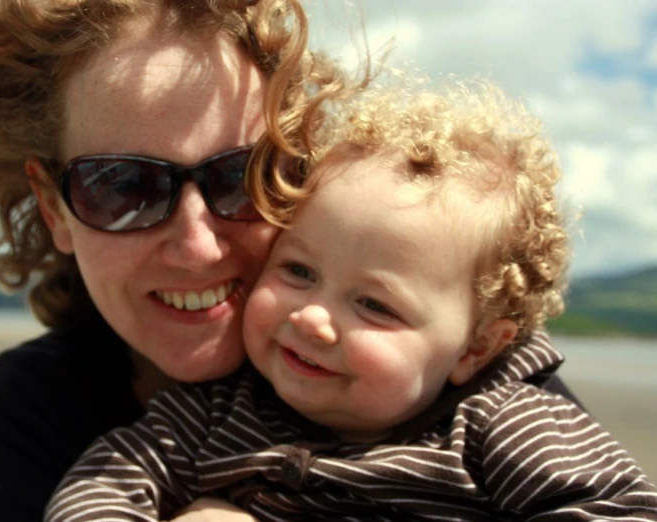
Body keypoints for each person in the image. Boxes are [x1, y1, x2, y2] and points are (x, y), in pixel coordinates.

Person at [0, 1, 586, 521]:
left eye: (237, 177)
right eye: (122, 186)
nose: (196, 244)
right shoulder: (34, 411)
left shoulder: (482, 387)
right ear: (55, 207)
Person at [45, 77, 657, 521]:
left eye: (375, 306)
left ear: (476, 346)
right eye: (299, 270)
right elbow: (100, 484)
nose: (311, 317)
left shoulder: (498, 427)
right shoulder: (212, 416)